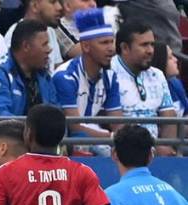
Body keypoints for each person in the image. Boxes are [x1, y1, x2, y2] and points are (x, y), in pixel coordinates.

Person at [0, 20, 58, 136]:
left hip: (34, 141)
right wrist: (38, 131)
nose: (49, 49)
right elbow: (1, 119)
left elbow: (55, 113)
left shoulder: (44, 76)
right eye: (44, 44)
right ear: (26, 46)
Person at [51, 8, 122, 143]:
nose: (111, 49)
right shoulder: (65, 77)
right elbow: (75, 127)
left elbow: (117, 123)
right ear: (86, 46)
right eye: (104, 43)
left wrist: (120, 137)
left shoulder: (110, 76)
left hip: (94, 141)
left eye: (111, 42)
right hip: (66, 143)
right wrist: (112, 137)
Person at [112, 20, 177, 154]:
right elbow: (111, 124)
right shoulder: (108, 73)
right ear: (125, 48)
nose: (150, 51)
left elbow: (169, 118)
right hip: (121, 152)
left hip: (155, 151)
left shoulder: (157, 74)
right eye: (144, 45)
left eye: (152, 44)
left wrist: (166, 146)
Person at [2, 0, 65, 69]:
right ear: (35, 6)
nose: (59, 7)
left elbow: (57, 68)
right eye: (52, 2)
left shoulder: (49, 30)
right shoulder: (16, 35)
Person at [151, 43, 188, 117]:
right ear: (160, 61)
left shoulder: (175, 83)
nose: (176, 60)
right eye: (170, 57)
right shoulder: (153, 89)